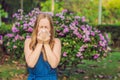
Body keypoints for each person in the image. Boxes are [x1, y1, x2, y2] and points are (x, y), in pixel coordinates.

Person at [24, 13, 61, 80]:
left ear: (51, 29)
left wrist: (46, 44)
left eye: (46, 27)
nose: (43, 30)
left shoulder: (56, 42)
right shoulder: (28, 42)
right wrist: (40, 43)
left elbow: (54, 64)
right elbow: (31, 64)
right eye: (41, 27)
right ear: (36, 28)